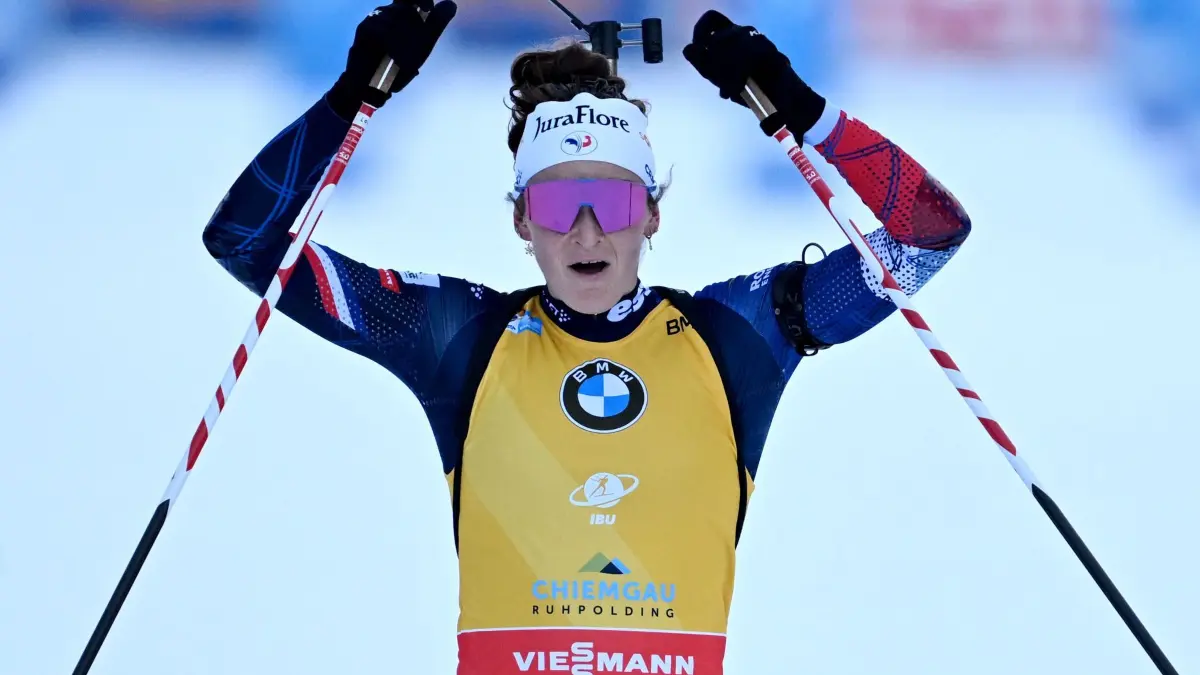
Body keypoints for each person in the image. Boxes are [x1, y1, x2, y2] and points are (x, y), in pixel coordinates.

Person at [202, 2, 972, 672]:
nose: (585, 230)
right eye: (556, 202)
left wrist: (800, 107)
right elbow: (244, 241)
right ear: (520, 221)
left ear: (652, 214)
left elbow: (928, 233)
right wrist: (347, 99)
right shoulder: (459, 336)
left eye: (610, 196)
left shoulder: (737, 334)